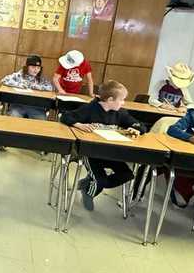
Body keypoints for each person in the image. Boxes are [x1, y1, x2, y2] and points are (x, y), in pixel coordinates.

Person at [60, 80, 143, 210]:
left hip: (110, 154)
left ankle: (88, 183)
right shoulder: (90, 109)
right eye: (121, 100)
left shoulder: (120, 113)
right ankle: (89, 192)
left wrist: (136, 129)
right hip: (90, 153)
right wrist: (78, 124)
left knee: (127, 174)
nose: (123, 103)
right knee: (100, 181)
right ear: (110, 100)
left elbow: (139, 125)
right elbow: (65, 117)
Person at [0, 55, 53, 119]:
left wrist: (36, 87)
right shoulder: (19, 75)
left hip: (35, 107)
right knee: (14, 115)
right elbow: (4, 80)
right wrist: (19, 85)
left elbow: (50, 87)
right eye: (33, 67)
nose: (36, 70)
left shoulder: (41, 78)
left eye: (38, 68)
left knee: (41, 118)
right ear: (27, 67)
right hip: (18, 105)